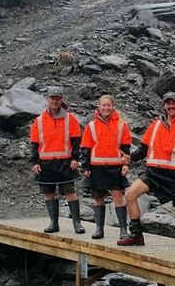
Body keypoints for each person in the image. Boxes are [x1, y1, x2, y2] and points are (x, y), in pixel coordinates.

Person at [117, 91, 175, 247]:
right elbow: (143, 150)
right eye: (168, 103)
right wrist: (130, 158)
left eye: (173, 103)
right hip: (154, 173)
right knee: (130, 194)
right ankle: (136, 235)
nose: (171, 106)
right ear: (164, 106)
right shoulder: (155, 125)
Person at [30, 86, 85, 234]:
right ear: (47, 100)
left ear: (61, 100)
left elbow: (75, 141)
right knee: (48, 193)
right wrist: (34, 162)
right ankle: (54, 223)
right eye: (52, 98)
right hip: (45, 163)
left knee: (70, 193)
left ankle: (77, 224)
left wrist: (75, 158)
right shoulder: (39, 121)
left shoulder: (70, 118)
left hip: (65, 163)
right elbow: (34, 144)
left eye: (58, 98)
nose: (55, 101)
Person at [79, 94, 132, 239]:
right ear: (99, 106)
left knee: (118, 196)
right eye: (104, 105)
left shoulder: (122, 125)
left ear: (113, 106)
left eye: (109, 105)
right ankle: (99, 229)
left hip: (115, 167)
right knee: (98, 198)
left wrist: (126, 165)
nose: (106, 108)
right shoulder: (91, 126)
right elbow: (86, 149)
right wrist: (85, 167)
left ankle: (123, 230)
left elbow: (126, 148)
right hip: (96, 167)